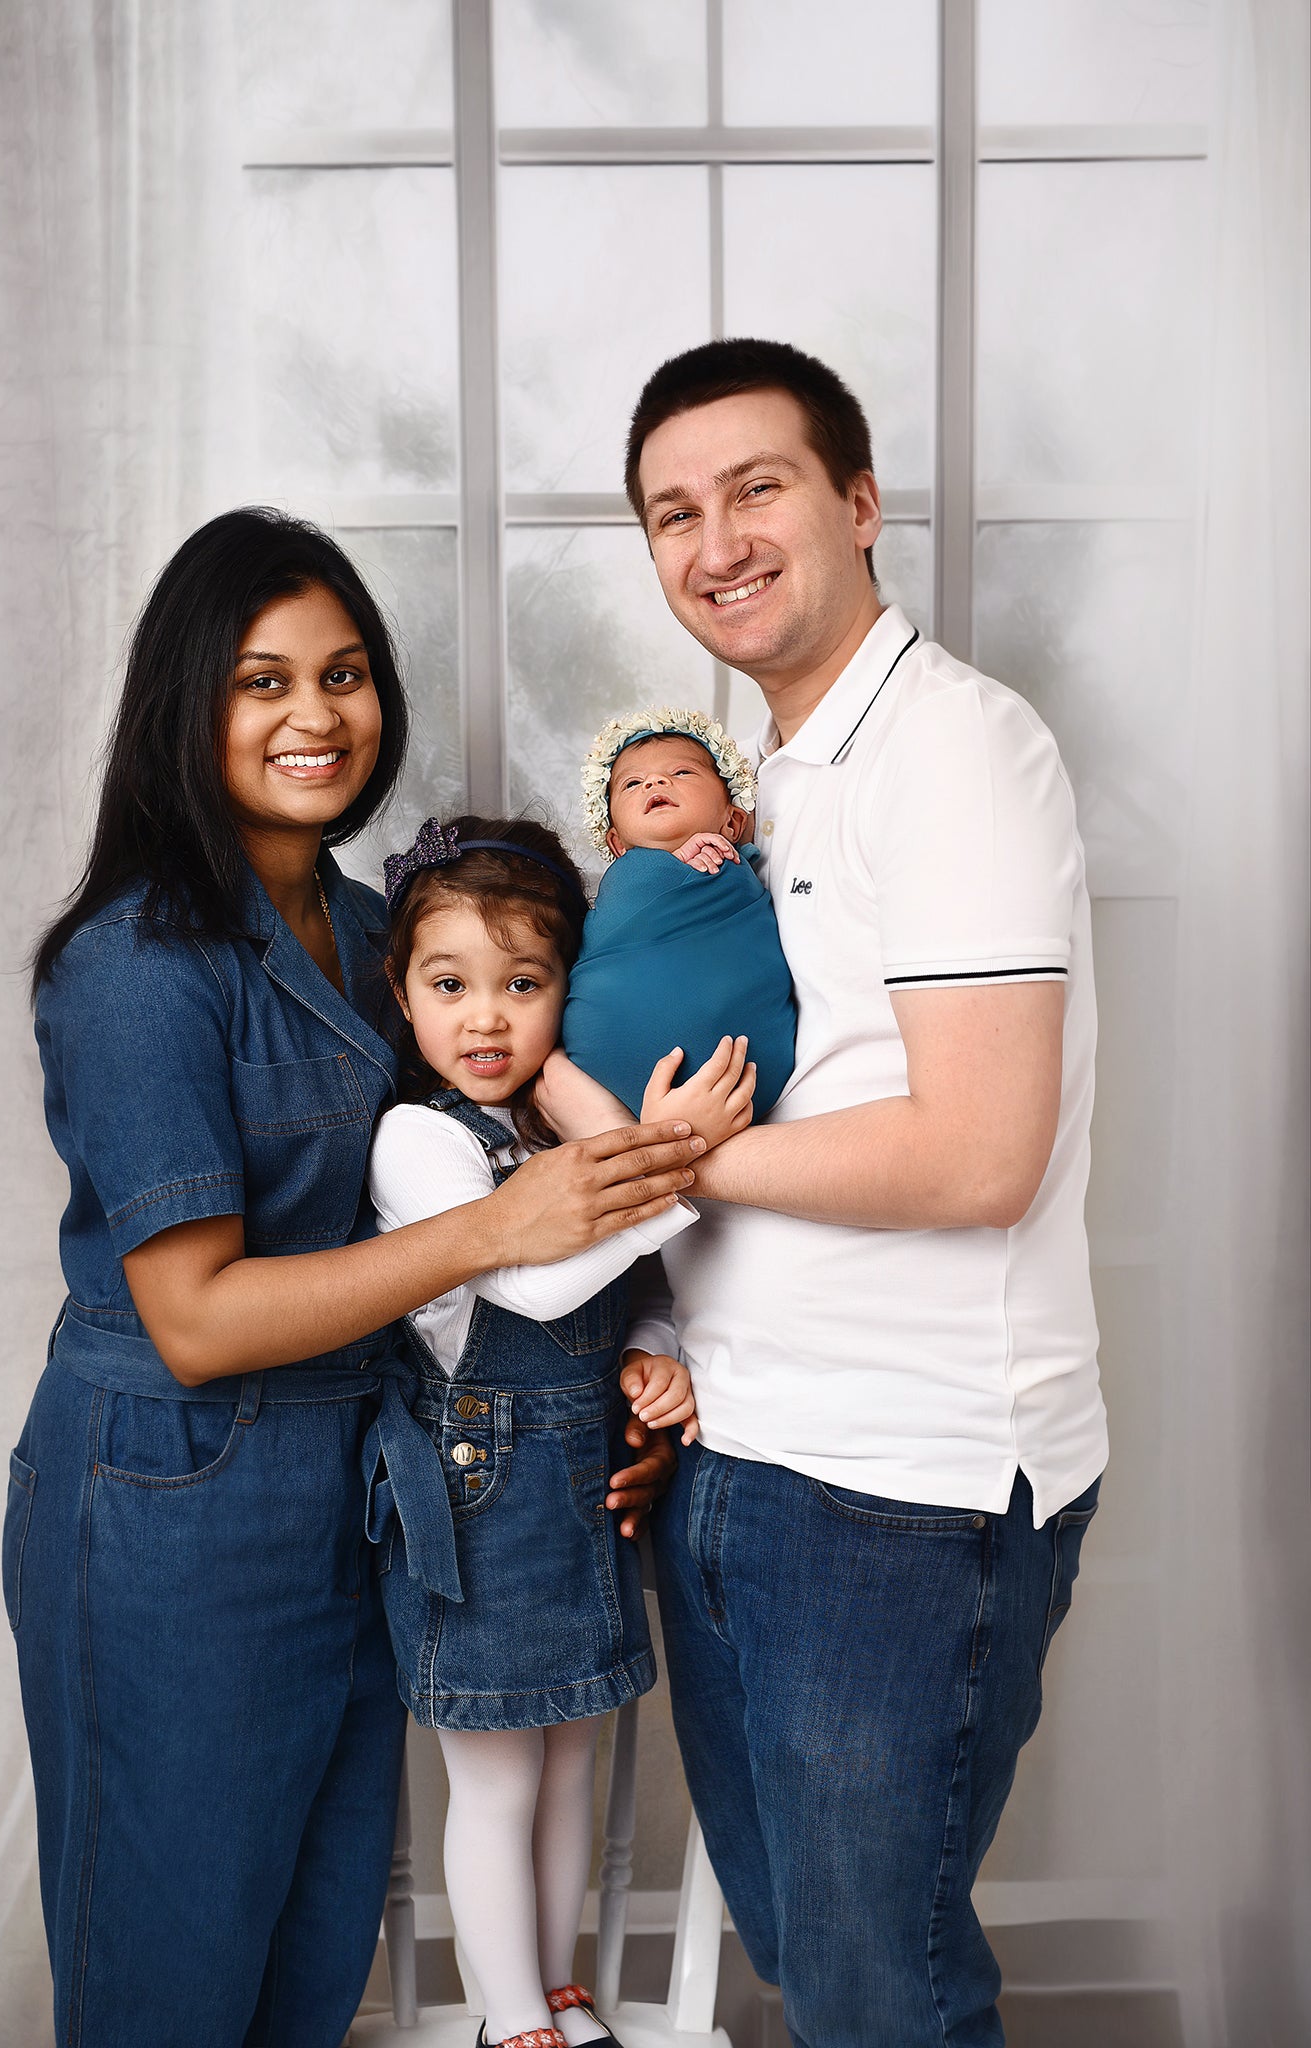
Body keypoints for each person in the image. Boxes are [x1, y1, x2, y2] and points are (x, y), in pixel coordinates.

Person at [7, 508, 703, 2048]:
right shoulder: (132, 963)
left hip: (379, 1480)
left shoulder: (388, 933)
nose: (314, 717)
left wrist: (612, 1399)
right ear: (187, 704)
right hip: (174, 1501)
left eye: (343, 675)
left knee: (313, 1947)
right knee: (175, 1969)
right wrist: (492, 1236)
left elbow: (532, 1203)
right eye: (261, 682)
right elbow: (195, 1320)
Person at [567, 336, 1109, 2047]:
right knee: (813, 1963)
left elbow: (974, 1150)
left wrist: (658, 1158)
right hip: (742, 1451)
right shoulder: (764, 782)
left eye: (755, 486)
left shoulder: (951, 747)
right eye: (671, 511)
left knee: (882, 1997)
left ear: (856, 503)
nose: (712, 539)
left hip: (897, 1491)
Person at [364, 814, 752, 2048]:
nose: (486, 1017)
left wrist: (662, 1352)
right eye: (450, 984)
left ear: (564, 993)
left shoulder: (553, 1126)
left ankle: (556, 1982)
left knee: (575, 1754)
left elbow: (634, 1285)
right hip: (478, 1500)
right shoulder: (416, 1138)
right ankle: (508, 2013)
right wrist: (673, 1166)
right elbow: (529, 1280)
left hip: (577, 1483)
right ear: (404, 994)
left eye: (522, 984)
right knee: (496, 1772)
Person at [561, 708, 796, 1119]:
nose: (655, 782)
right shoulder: (625, 880)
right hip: (604, 1095)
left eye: (682, 773)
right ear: (615, 843)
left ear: (732, 821)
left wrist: (701, 872)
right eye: (632, 783)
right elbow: (617, 920)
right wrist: (665, 871)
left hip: (744, 1078)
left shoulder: (736, 871)